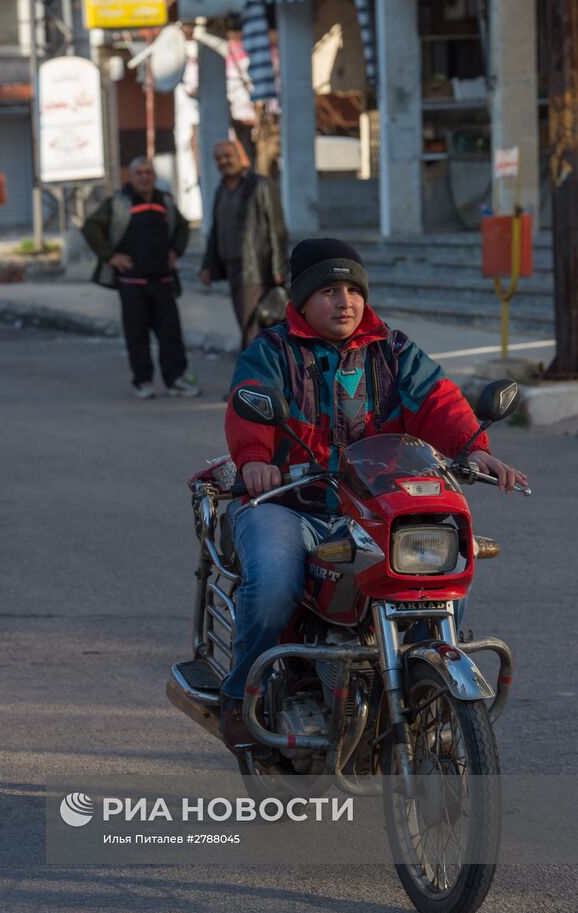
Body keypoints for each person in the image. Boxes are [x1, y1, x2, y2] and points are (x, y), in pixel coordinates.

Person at [220, 237, 528, 754]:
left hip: (370, 509)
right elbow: (247, 403)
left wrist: (473, 448)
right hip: (288, 504)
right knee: (274, 583)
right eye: (328, 291)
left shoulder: (393, 349)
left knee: (437, 571)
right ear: (300, 300)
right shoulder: (272, 351)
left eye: (351, 290)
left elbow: (439, 401)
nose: (344, 302)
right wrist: (254, 459)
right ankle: (240, 695)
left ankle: (423, 684)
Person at [82, 158, 200, 400]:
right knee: (137, 335)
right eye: (139, 173)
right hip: (131, 284)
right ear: (131, 176)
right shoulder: (119, 202)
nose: (144, 177)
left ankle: (175, 379)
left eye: (148, 172)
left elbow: (183, 227)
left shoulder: (164, 201)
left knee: (171, 333)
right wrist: (110, 256)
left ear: (154, 176)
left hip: (163, 282)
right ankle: (143, 381)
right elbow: (91, 227)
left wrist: (175, 251)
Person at [199, 140, 288, 350]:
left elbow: (277, 229)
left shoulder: (260, 185)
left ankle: (253, 376)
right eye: (219, 158)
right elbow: (215, 230)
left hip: (255, 269)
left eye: (228, 156)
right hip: (232, 269)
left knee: (252, 326)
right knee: (247, 324)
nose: (223, 161)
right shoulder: (221, 190)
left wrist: (279, 268)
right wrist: (207, 266)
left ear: (240, 156)